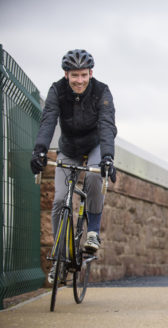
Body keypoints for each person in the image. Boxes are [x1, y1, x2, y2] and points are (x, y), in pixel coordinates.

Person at [29, 49, 117, 283]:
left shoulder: (101, 91)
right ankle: (59, 258)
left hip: (94, 146)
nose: (79, 80)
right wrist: (39, 149)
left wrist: (108, 156)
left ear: (91, 73)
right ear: (66, 75)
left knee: (95, 177)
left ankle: (92, 232)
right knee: (59, 200)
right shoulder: (57, 90)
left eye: (83, 75)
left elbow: (107, 125)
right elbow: (48, 120)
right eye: (74, 75)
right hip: (68, 149)